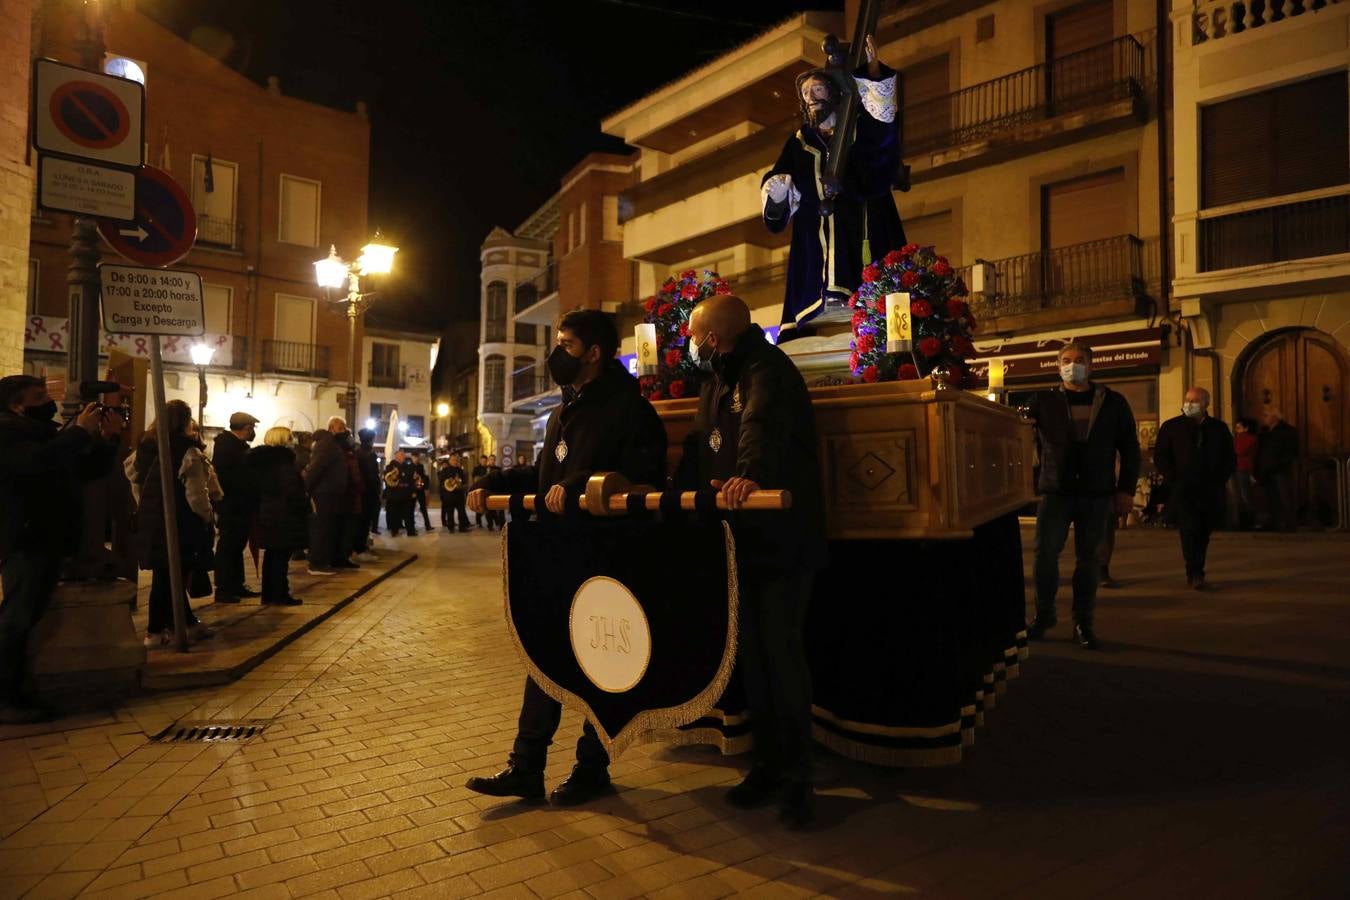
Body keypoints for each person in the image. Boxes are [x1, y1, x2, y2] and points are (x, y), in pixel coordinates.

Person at [465, 308, 667, 807]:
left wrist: (581, 486)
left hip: (606, 556)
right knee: (544, 659)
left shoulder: (629, 409)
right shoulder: (563, 409)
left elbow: (642, 479)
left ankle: (591, 766)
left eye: (567, 345)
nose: (557, 355)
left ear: (594, 353)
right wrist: (494, 481)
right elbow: (544, 474)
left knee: (599, 664)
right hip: (559, 551)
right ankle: (525, 767)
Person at [673, 294, 826, 829]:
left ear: (712, 338)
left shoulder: (768, 369)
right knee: (754, 660)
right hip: (739, 540)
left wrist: (751, 475)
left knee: (783, 657)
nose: (690, 346)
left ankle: (800, 778)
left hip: (783, 539)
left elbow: (760, 427)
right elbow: (703, 445)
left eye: (693, 336)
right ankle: (766, 765)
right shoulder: (716, 379)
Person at [762, 34, 906, 338]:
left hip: (862, 226)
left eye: (817, 88)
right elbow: (779, 185)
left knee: (869, 298)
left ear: (833, 93)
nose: (811, 96)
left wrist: (875, 73)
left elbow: (884, 138)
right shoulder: (799, 142)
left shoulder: (857, 128)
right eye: (805, 92)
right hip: (813, 245)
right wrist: (775, 193)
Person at [0, 376, 120, 723]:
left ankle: (18, 692)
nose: (46, 401)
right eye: (38, 397)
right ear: (17, 405)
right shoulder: (8, 433)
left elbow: (82, 471)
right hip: (26, 538)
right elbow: (35, 463)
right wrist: (79, 432)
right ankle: (8, 696)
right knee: (16, 619)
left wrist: (106, 441)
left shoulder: (42, 433)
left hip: (49, 537)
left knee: (26, 616)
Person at [1025, 342, 1140, 650]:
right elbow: (1022, 439)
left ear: (1091, 365)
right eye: (1066, 360)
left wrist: (1126, 490)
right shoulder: (1043, 401)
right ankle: (1044, 615)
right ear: (1057, 366)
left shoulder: (1113, 402)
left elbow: (1129, 448)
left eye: (1078, 360)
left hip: (1096, 492)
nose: (1071, 365)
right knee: (1045, 555)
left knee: (1089, 559)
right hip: (1056, 490)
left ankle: (1082, 622)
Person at [132, 399, 218, 648]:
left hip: (152, 518)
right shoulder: (186, 450)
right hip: (180, 521)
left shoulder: (146, 447)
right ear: (185, 421)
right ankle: (155, 630)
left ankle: (185, 623)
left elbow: (134, 479)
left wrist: (147, 507)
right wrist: (207, 516)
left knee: (168, 574)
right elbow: (196, 495)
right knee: (171, 575)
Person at [1153, 388, 1236, 590]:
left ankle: (1198, 565)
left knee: (1203, 532)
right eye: (1187, 400)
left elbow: (1229, 457)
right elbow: (1161, 456)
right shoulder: (1171, 427)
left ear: (1206, 404)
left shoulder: (1218, 428)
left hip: (1210, 489)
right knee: (1189, 529)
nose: (1190, 403)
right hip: (1183, 488)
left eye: (1195, 400)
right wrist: (1173, 478)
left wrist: (1219, 479)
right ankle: (1194, 571)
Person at [245, 427, 306, 606]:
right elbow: (292, 491)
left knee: (272, 556)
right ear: (282, 440)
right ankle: (280, 594)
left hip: (268, 513)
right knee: (280, 557)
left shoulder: (262, 462)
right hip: (283, 514)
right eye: (289, 438)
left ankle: (269, 594)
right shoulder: (283, 463)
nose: (292, 442)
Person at [211, 411, 260, 603]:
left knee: (237, 546)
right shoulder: (228, 447)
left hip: (240, 504)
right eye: (252, 428)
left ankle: (236, 584)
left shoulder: (236, 447)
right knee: (228, 546)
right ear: (246, 428)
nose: (253, 431)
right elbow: (232, 477)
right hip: (232, 505)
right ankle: (224, 588)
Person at [303, 418, 350, 575]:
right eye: (341, 427)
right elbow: (316, 467)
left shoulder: (334, 443)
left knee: (328, 527)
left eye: (345, 427)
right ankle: (316, 563)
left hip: (330, 492)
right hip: (323, 492)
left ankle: (324, 560)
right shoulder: (327, 443)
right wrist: (306, 489)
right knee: (321, 527)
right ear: (331, 428)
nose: (344, 430)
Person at [1256, 409, 1298, 531]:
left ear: (1275, 418)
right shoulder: (1266, 432)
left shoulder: (1286, 432)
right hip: (1268, 470)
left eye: (1267, 416)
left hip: (1280, 469)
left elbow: (1289, 452)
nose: (1265, 419)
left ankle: (1289, 524)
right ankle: (1274, 522)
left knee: (1284, 497)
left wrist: (1278, 464)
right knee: (1272, 498)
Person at [355, 428, 383, 550]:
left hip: (360, 491)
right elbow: (372, 476)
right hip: (368, 492)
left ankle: (360, 546)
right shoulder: (369, 454)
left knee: (361, 521)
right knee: (365, 522)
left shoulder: (357, 452)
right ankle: (361, 548)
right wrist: (377, 490)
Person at [1232, 416, 1259, 530]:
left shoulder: (1249, 438)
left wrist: (1238, 438)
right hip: (1237, 468)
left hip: (1243, 469)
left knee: (1245, 496)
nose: (1236, 430)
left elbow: (1239, 450)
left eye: (1239, 427)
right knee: (1239, 496)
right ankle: (1242, 521)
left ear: (1246, 428)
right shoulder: (1239, 438)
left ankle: (1250, 521)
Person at [384, 449, 417, 536]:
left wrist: (413, 491)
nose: (404, 456)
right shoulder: (390, 467)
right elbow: (387, 479)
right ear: (396, 456)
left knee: (408, 514)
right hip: (394, 494)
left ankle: (411, 531)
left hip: (406, 494)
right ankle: (394, 531)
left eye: (404, 455)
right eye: (401, 455)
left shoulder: (408, 466)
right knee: (394, 514)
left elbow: (411, 480)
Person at [438, 452, 471, 532]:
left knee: (461, 511)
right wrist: (450, 483)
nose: (455, 461)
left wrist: (462, 486)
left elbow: (464, 481)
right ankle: (451, 527)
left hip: (459, 494)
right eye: (453, 460)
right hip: (449, 495)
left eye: (456, 460)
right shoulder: (445, 470)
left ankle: (462, 527)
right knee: (450, 512)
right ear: (449, 461)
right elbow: (442, 482)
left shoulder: (460, 470)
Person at [411, 451, 432, 532]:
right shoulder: (410, 467)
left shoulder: (421, 466)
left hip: (420, 489)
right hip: (413, 490)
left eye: (417, 457)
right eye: (414, 457)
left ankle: (428, 525)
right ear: (412, 457)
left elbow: (424, 476)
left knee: (423, 508)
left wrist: (423, 484)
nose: (416, 459)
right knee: (411, 508)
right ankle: (412, 526)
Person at [470, 454, 489, 528]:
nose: (484, 462)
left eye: (485, 461)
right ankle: (478, 522)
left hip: (487, 489)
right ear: (480, 461)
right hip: (479, 489)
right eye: (483, 461)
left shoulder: (488, 468)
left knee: (487, 506)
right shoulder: (476, 468)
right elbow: (474, 478)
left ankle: (489, 523)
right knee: (479, 505)